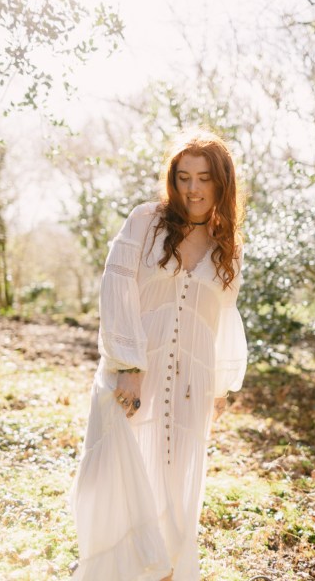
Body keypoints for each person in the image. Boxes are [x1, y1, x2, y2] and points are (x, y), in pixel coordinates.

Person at [70, 128, 248, 580]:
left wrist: (221, 387)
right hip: (133, 379)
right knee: (115, 488)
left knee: (172, 491)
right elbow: (115, 287)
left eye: (204, 178)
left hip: (191, 386)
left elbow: (223, 317)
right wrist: (128, 366)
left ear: (221, 183)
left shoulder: (226, 246)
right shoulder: (145, 222)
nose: (192, 188)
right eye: (184, 176)